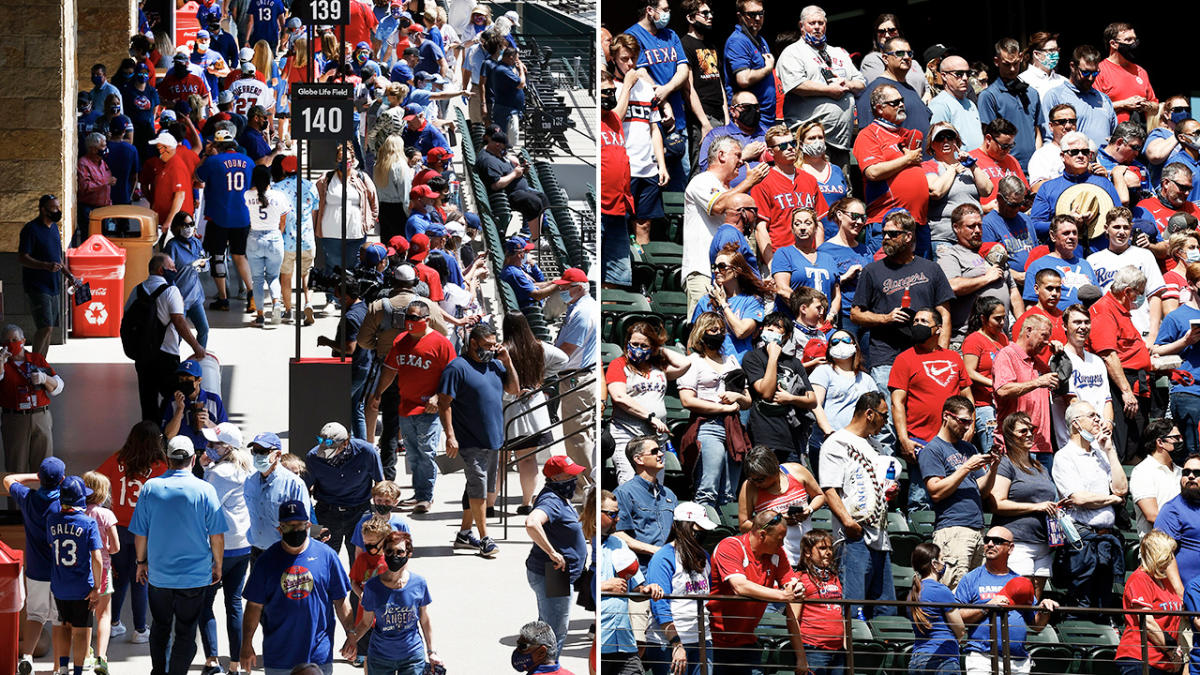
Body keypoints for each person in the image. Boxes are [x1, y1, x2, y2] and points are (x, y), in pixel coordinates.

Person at [130, 436, 227, 675]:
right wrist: (218, 564)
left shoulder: (150, 488)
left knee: (160, 627)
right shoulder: (205, 490)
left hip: (159, 576)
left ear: (167, 459)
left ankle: (159, 671)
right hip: (194, 577)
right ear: (193, 459)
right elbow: (217, 536)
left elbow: (140, 534)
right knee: (186, 631)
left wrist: (141, 562)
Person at [240, 500, 356, 675]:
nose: (295, 531)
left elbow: (340, 601)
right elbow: (254, 606)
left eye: (299, 525)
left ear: (308, 525)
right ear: (279, 528)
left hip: (318, 656)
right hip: (279, 657)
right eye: (289, 526)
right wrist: (246, 644)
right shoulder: (266, 561)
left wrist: (351, 634)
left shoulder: (327, 556)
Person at [439, 323, 519, 558]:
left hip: (493, 440)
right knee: (479, 488)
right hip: (469, 441)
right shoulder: (457, 368)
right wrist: (450, 436)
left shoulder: (495, 364)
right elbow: (444, 404)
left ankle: (464, 534)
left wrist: (508, 362)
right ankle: (485, 538)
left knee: (476, 488)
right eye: (486, 345)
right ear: (472, 343)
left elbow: (514, 389)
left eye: (493, 345)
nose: (490, 349)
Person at [365, 300, 454, 511]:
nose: (411, 322)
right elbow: (390, 369)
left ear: (427, 319)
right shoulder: (401, 340)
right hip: (406, 407)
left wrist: (438, 397)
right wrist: (377, 393)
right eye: (408, 318)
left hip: (429, 410)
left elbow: (453, 376)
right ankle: (418, 494)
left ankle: (425, 497)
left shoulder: (441, 343)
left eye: (415, 318)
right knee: (413, 455)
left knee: (426, 453)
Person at [819, 391, 899, 619]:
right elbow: (829, 489)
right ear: (869, 414)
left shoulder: (876, 446)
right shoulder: (836, 442)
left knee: (886, 611)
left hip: (880, 535)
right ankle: (850, 655)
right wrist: (847, 522)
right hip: (855, 537)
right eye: (884, 416)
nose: (886, 422)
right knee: (854, 609)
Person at [852, 210, 954, 387]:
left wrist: (941, 353)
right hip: (886, 357)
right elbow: (855, 314)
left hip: (924, 353)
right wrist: (886, 318)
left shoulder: (931, 269)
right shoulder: (871, 271)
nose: (885, 237)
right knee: (890, 412)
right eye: (883, 233)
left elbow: (944, 315)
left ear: (908, 237)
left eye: (892, 234)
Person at [889, 307, 972, 509]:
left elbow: (968, 397)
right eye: (915, 321)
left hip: (953, 444)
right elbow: (897, 402)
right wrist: (903, 439)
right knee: (921, 500)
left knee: (956, 497)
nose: (917, 325)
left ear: (938, 329)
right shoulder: (904, 359)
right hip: (921, 442)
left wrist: (970, 428)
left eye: (924, 322)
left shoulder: (954, 358)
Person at [707, 509, 807, 674]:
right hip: (715, 642)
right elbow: (740, 586)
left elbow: (791, 582)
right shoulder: (731, 545)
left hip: (746, 642)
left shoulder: (776, 553)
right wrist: (782, 595)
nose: (782, 545)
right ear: (762, 535)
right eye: (779, 540)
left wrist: (798, 588)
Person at [1052, 400, 1128, 612]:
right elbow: (1079, 499)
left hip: (1105, 538)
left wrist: (1110, 450)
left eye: (1098, 415)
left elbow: (1121, 489)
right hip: (1082, 541)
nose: (1098, 419)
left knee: (1103, 604)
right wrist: (1111, 499)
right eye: (1092, 415)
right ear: (1076, 423)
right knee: (1081, 603)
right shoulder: (1064, 456)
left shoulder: (1101, 453)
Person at [681, 134, 768, 315]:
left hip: (728, 275)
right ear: (721, 155)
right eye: (737, 155)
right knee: (704, 328)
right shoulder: (702, 180)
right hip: (703, 270)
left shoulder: (728, 188)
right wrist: (748, 182)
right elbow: (719, 205)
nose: (741, 161)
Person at [954, 525, 1059, 675]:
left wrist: (1044, 609)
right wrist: (987, 607)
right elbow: (957, 618)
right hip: (982, 658)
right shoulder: (971, 579)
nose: (990, 544)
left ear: (1010, 548)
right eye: (987, 540)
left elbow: (1036, 625)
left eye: (996, 541)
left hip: (1017, 660)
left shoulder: (1020, 582)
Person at [775, 5, 864, 176]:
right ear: (802, 26)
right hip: (809, 142)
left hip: (840, 142)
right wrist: (829, 90)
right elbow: (796, 85)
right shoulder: (793, 52)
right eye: (812, 23)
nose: (817, 27)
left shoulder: (838, 52)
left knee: (841, 192)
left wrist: (847, 83)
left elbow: (861, 82)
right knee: (814, 188)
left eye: (821, 23)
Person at [921, 397, 997, 588]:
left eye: (970, 422)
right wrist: (965, 468)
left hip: (977, 530)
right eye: (963, 421)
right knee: (954, 591)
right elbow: (935, 491)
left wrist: (995, 467)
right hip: (953, 530)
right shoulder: (933, 449)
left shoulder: (968, 448)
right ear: (947, 416)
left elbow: (981, 489)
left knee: (974, 594)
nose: (966, 427)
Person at [195, 424, 252, 675]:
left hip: (219, 547)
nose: (209, 447)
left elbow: (208, 505)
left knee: (205, 604)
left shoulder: (219, 474)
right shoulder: (244, 470)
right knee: (234, 603)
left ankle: (211, 660)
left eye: (214, 444)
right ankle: (235, 665)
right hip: (242, 546)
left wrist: (206, 470)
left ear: (227, 448)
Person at [678, 313, 751, 507]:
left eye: (721, 330)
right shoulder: (693, 361)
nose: (718, 334)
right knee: (708, 488)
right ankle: (702, 533)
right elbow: (687, 400)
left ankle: (723, 533)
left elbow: (748, 400)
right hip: (707, 425)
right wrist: (721, 407)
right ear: (702, 332)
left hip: (733, 428)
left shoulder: (731, 360)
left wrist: (738, 397)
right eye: (713, 330)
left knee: (728, 493)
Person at [605, 320, 690, 485]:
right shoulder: (619, 364)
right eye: (634, 344)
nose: (637, 349)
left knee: (655, 484)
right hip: (628, 435)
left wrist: (659, 348)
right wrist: (650, 417)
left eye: (644, 346)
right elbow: (619, 397)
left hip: (655, 439)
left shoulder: (658, 367)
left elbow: (685, 364)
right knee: (629, 483)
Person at [125, 253, 206, 425]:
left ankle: (150, 439)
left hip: (143, 356)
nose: (175, 270)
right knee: (175, 397)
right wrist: (196, 346)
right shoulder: (171, 291)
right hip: (166, 355)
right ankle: (166, 433)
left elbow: (127, 319)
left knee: (148, 402)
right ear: (162, 270)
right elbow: (179, 321)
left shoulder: (137, 290)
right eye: (172, 267)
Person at [984, 413, 1059, 597]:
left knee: (1032, 603)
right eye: (1022, 430)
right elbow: (997, 504)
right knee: (1017, 598)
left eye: (1031, 430)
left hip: (1043, 544)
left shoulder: (1040, 467)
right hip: (1017, 543)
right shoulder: (1005, 463)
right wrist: (1036, 507)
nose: (1029, 434)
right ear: (1009, 435)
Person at [501, 311, 569, 512]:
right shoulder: (539, 347)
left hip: (506, 408)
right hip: (533, 408)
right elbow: (563, 359)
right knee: (528, 460)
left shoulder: (502, 350)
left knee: (499, 462)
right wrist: (540, 379)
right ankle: (526, 502)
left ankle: (488, 504)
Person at [5, 458, 67, 675]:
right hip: (61, 570)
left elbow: (8, 479)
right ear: (62, 479)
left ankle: (28, 657)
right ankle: (59, 667)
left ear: (40, 478)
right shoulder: (64, 502)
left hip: (36, 571)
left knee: (35, 615)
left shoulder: (28, 498)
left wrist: (35, 477)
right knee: (60, 619)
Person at [524, 456, 588, 656]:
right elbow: (532, 523)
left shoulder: (558, 497)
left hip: (555, 574)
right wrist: (552, 552)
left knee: (547, 630)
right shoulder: (551, 499)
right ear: (557, 477)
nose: (575, 477)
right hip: (554, 574)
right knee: (554, 632)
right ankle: (548, 669)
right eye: (570, 474)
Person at [643, 502, 716, 675]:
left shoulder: (704, 556)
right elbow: (659, 605)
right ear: (683, 528)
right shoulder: (663, 557)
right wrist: (676, 643)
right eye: (697, 530)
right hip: (668, 644)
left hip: (701, 639)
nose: (702, 534)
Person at [1089, 266, 1153, 462]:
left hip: (1137, 381)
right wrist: (1126, 391)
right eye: (1139, 293)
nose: (1140, 298)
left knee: (1136, 443)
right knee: (1123, 444)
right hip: (1121, 385)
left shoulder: (1121, 310)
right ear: (1127, 292)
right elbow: (1108, 354)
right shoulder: (1105, 310)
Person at [937, 203, 1022, 346]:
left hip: (1002, 339)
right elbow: (952, 286)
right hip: (969, 340)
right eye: (971, 226)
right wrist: (986, 278)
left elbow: (1013, 291)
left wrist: (1021, 325)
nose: (977, 230)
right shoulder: (951, 255)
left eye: (979, 226)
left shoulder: (993, 253)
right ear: (956, 228)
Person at [599, 489, 664, 675]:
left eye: (617, 513)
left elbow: (636, 588)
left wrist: (647, 589)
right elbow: (574, 587)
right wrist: (604, 586)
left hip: (624, 641)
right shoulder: (587, 543)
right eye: (612, 514)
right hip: (602, 641)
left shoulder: (619, 543)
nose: (617, 519)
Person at [741, 314, 818, 466]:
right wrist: (772, 358)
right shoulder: (752, 357)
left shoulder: (794, 363)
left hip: (791, 438)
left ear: (787, 335)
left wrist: (791, 399)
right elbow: (766, 393)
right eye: (769, 325)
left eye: (778, 327)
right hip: (764, 436)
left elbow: (812, 400)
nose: (771, 328)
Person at [45, 475, 103, 675]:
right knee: (81, 630)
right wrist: (97, 587)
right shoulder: (88, 523)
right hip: (81, 587)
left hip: (59, 585)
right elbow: (96, 557)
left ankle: (62, 667)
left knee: (64, 625)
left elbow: (53, 545)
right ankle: (77, 671)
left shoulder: (52, 520)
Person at [853, 86, 930, 234]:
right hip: (888, 223)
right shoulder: (868, 134)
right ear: (880, 109)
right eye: (895, 102)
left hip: (918, 223)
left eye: (902, 100)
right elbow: (873, 172)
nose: (901, 105)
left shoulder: (907, 134)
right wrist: (907, 159)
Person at [303, 421, 383, 559]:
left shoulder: (367, 452)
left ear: (345, 443)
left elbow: (381, 484)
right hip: (326, 513)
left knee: (361, 560)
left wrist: (380, 516)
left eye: (330, 447)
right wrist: (312, 525)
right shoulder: (313, 457)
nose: (324, 450)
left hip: (360, 513)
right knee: (322, 558)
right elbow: (303, 491)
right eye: (321, 442)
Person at [194, 127, 254, 312]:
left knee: (218, 256)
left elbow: (197, 177)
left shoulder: (213, 161)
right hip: (242, 215)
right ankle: (252, 293)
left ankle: (223, 299)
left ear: (218, 146)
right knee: (240, 256)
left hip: (218, 216)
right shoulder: (248, 161)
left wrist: (206, 155)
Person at [750, 127, 827, 265]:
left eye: (793, 143)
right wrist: (771, 264)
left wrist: (819, 258)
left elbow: (819, 223)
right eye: (783, 146)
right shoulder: (762, 182)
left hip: (810, 257)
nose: (790, 148)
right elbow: (761, 228)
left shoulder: (809, 179)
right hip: (781, 257)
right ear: (770, 152)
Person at [737, 445, 823, 567]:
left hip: (808, 552)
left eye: (760, 480)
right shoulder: (749, 487)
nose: (756, 483)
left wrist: (809, 510)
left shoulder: (796, 471)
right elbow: (744, 524)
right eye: (752, 479)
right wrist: (774, 521)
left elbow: (819, 495)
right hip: (775, 558)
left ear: (774, 471)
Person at [1115, 530, 1184, 674]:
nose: (1172, 558)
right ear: (1157, 555)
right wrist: (1172, 652)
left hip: (1164, 662)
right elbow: (1148, 622)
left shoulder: (1167, 581)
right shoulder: (1140, 578)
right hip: (1140, 658)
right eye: (1168, 554)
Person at [554, 270, 599, 481]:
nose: (562, 290)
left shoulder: (583, 311)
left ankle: (585, 486)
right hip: (578, 377)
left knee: (577, 436)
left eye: (566, 287)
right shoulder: (580, 307)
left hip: (576, 379)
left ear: (580, 287)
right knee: (578, 434)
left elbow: (568, 348)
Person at [0, 324, 64, 475]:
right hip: (15, 419)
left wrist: (44, 378)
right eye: (7, 340)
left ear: (23, 340)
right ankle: (17, 499)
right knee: (16, 469)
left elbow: (58, 386)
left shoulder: (36, 359)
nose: (11, 343)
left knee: (44, 467)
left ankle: (43, 498)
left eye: (15, 339)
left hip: (40, 416)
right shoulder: (3, 364)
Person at [809, 329, 877, 465]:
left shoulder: (867, 379)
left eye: (845, 340)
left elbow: (876, 411)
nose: (840, 344)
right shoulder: (823, 371)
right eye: (835, 341)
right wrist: (829, 431)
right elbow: (815, 404)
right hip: (827, 444)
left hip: (858, 447)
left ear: (854, 345)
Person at [993, 314, 1057, 459]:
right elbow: (1003, 390)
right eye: (1044, 336)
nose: (1047, 342)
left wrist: (1060, 355)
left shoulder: (1038, 362)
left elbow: (1061, 382)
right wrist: (1037, 382)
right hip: (1016, 446)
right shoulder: (1007, 355)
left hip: (1043, 445)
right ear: (1028, 330)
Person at [1051, 304, 1113, 452]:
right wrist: (1094, 425)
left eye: (1086, 322)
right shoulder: (1060, 359)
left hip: (1101, 441)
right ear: (1065, 326)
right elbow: (1072, 403)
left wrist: (1109, 422)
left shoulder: (1097, 361)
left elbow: (1107, 400)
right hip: (1074, 443)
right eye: (1077, 322)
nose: (1083, 327)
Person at [924, 124, 993, 252]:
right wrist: (953, 169)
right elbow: (936, 191)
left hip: (972, 237)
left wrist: (973, 166)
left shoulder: (967, 166)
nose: (945, 141)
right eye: (940, 138)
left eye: (950, 137)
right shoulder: (928, 166)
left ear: (956, 141)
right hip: (945, 238)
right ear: (932, 144)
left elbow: (987, 190)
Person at [691, 247, 768, 362]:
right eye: (714, 267)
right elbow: (693, 340)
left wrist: (723, 303)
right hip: (712, 367)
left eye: (722, 266)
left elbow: (741, 332)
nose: (716, 271)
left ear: (736, 271)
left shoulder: (752, 301)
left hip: (740, 367)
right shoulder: (705, 301)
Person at [242, 431, 313, 554]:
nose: (258, 456)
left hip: (283, 552)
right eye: (255, 451)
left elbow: (303, 525)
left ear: (277, 454)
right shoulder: (249, 481)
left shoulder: (294, 484)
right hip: (256, 550)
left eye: (263, 452)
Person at [314, 144, 378, 280]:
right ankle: (333, 296)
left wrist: (370, 221)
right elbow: (315, 203)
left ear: (353, 160)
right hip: (330, 232)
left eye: (348, 159)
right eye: (340, 159)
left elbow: (373, 201)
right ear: (336, 160)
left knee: (352, 265)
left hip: (355, 232)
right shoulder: (326, 179)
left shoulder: (362, 178)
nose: (345, 163)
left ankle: (349, 296)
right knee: (333, 264)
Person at [979, 38, 1043, 171]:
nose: (1012, 69)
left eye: (1015, 63)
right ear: (997, 62)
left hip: (1034, 168)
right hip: (1006, 169)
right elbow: (989, 138)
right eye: (1006, 64)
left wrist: (1038, 161)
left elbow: (1037, 131)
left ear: (1020, 57)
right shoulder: (989, 96)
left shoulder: (1032, 93)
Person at [1155, 262, 1200, 452]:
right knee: (1192, 450)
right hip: (1189, 390)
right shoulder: (1176, 316)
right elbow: (1156, 351)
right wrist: (1185, 341)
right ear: (1190, 284)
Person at [679, 0, 727, 177]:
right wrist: (704, 123)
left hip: (719, 115)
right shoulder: (684, 44)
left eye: (710, 13)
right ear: (691, 18)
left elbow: (719, 82)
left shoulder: (711, 45)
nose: (710, 17)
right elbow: (687, 87)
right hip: (702, 117)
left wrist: (727, 117)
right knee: (701, 168)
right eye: (704, 14)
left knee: (722, 167)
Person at [19, 195, 70, 356]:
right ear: (43, 210)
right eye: (54, 208)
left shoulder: (54, 228)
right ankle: (35, 363)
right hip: (37, 285)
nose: (58, 211)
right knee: (45, 326)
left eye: (58, 207)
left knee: (50, 328)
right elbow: (23, 257)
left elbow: (57, 257)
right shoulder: (31, 229)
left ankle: (42, 363)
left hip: (54, 284)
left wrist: (69, 275)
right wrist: (45, 266)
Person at [787, 529, 843, 675]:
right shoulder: (800, 578)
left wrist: (845, 647)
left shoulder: (834, 577)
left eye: (830, 548)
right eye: (822, 548)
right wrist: (801, 657)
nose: (828, 552)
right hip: (813, 650)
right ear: (807, 552)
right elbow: (792, 619)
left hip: (838, 652)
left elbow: (840, 613)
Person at [79, 471, 118, 675]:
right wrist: (107, 549)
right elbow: (115, 548)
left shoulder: (79, 513)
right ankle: (101, 658)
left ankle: (85, 655)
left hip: (81, 570)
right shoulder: (106, 515)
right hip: (102, 570)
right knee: (103, 614)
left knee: (85, 614)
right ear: (103, 493)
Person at [1041, 45, 1118, 149]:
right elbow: (1048, 139)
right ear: (1072, 66)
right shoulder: (1055, 96)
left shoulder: (1104, 99)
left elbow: (1114, 138)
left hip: (1103, 164)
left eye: (1095, 73)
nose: (1090, 78)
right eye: (1085, 72)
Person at [770, 208, 840, 319]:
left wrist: (831, 315)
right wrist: (807, 312)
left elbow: (836, 294)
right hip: (792, 322)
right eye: (797, 224)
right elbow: (782, 289)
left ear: (816, 228)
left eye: (808, 223)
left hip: (823, 323)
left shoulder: (828, 258)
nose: (802, 228)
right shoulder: (784, 253)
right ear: (792, 229)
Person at [908, 542, 966, 673]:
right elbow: (960, 629)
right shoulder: (941, 590)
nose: (944, 564)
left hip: (917, 659)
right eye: (941, 560)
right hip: (942, 659)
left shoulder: (912, 593)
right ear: (934, 564)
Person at [243, 163, 288, 327]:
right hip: (274, 237)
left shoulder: (248, 195)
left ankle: (260, 314)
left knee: (257, 280)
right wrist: (278, 234)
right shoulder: (279, 196)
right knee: (273, 276)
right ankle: (276, 304)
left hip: (254, 238)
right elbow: (283, 220)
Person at [721, 0, 775, 134]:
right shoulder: (737, 41)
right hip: (749, 121)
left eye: (760, 13)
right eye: (751, 14)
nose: (757, 18)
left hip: (767, 119)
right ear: (740, 16)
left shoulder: (761, 40)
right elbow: (743, 79)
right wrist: (768, 69)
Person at [1021, 215, 1098, 310]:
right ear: (1053, 236)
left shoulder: (1085, 264)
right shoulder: (1038, 266)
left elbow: (1098, 297)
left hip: (1085, 321)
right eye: (1066, 233)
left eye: (1074, 233)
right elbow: (1031, 306)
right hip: (1055, 322)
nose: (1072, 237)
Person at [855, 38, 930, 133]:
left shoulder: (910, 89)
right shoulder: (875, 90)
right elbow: (869, 135)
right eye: (900, 53)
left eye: (909, 53)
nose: (906, 57)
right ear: (885, 59)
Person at [161, 214, 210, 347]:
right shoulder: (172, 247)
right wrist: (175, 295)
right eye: (185, 225)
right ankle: (174, 362)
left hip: (195, 297)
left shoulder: (196, 242)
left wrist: (203, 264)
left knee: (204, 329)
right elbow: (167, 274)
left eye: (191, 224)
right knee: (178, 336)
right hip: (179, 299)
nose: (189, 228)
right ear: (177, 227)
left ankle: (200, 359)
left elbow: (206, 264)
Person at [1096, 22, 1158, 126]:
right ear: (1113, 44)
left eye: (1134, 39)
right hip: (1111, 136)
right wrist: (1124, 104)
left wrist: (1145, 105)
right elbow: (1093, 108)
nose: (1134, 43)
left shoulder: (1141, 72)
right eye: (1128, 40)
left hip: (1139, 136)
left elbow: (1155, 106)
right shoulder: (1099, 71)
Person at [1129, 420, 1184, 538]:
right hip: (1157, 548)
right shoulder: (1142, 471)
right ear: (1160, 442)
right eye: (1176, 438)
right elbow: (1152, 515)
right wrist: (1187, 530)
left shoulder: (1182, 472)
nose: (1181, 441)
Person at [161, 359, 226, 457]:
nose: (184, 383)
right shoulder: (174, 402)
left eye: (188, 380)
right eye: (181, 380)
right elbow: (169, 435)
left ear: (199, 380)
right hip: (183, 456)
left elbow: (226, 434)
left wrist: (209, 423)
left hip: (209, 455)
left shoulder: (213, 400)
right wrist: (180, 410)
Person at [859, 13, 925, 94]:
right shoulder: (872, 60)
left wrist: (927, 94)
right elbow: (880, 91)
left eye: (892, 30)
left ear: (899, 32)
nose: (887, 35)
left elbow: (926, 85)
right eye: (881, 31)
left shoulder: (913, 62)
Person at [928, 55, 984, 151]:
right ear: (944, 76)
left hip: (978, 163)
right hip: (957, 164)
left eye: (968, 73)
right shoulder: (940, 105)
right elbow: (939, 147)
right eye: (959, 74)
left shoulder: (971, 104)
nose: (965, 78)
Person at [797, 121, 852, 214]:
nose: (817, 142)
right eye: (812, 138)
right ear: (801, 144)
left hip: (837, 227)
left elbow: (846, 202)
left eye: (820, 137)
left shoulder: (836, 170)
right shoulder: (796, 171)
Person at [1027, 103, 1077, 187]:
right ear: (1051, 126)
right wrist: (1069, 181)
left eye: (1072, 121)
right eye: (1062, 122)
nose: (1068, 126)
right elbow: (1036, 187)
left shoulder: (1085, 151)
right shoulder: (1042, 155)